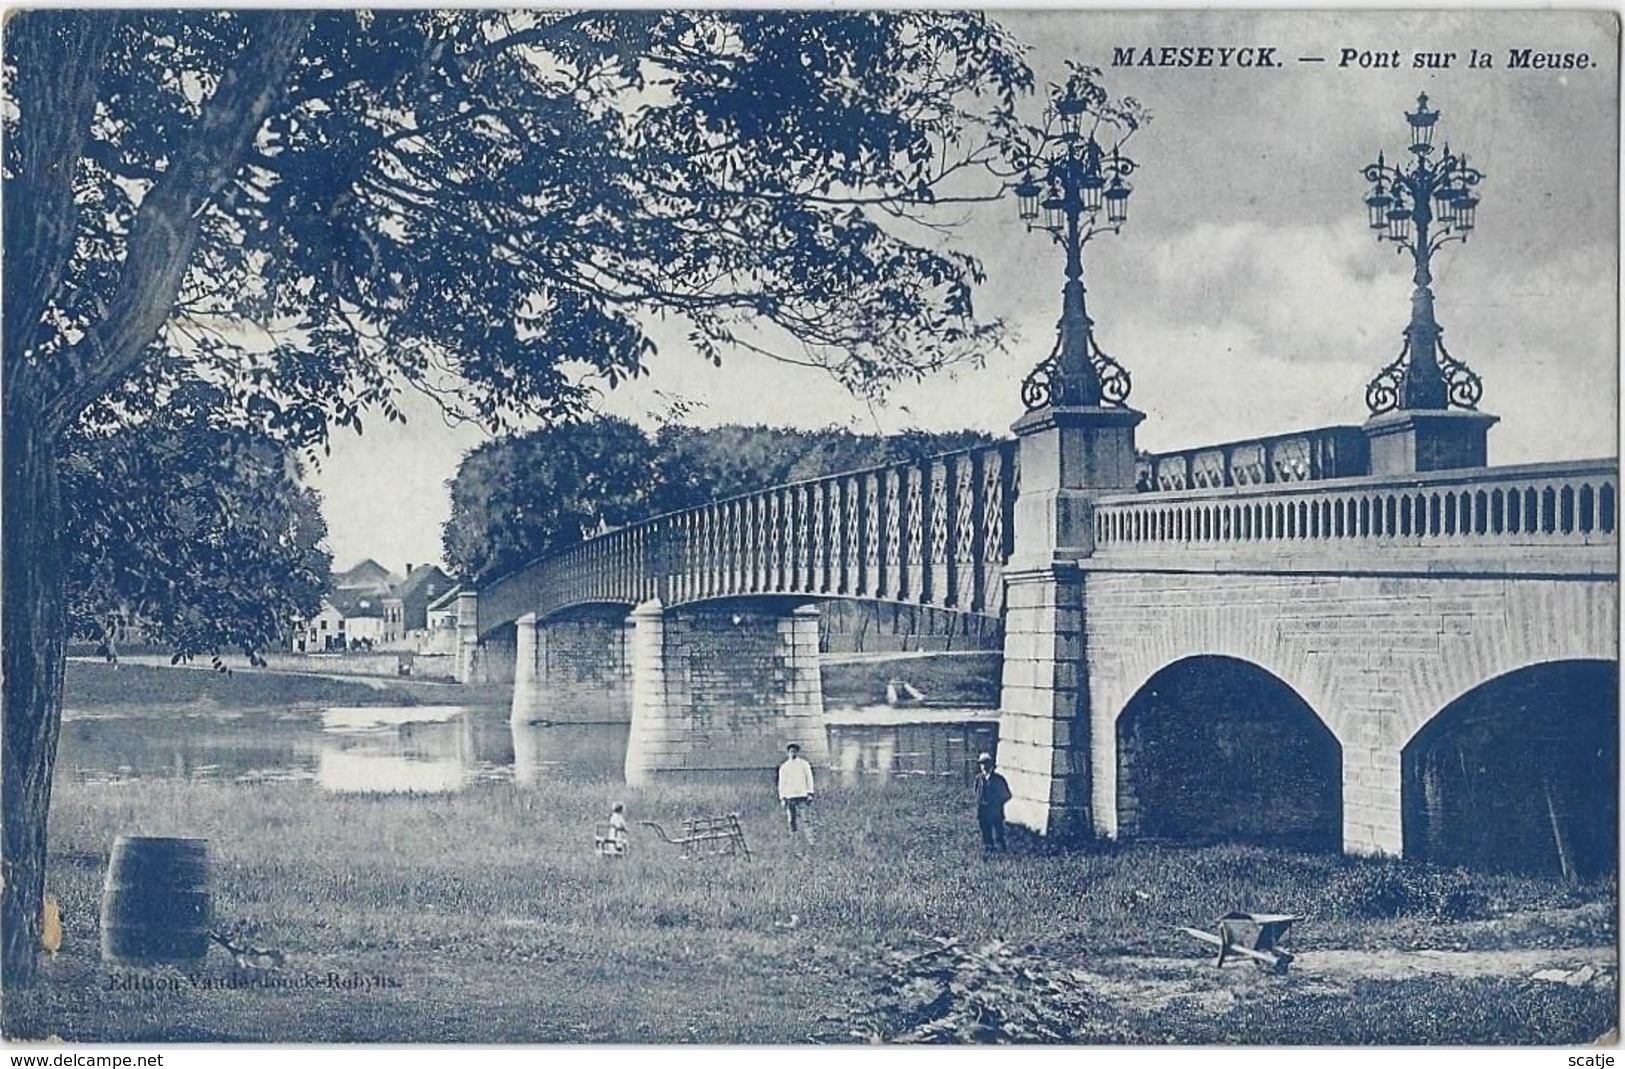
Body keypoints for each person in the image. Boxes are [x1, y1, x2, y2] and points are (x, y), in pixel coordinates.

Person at [974, 752, 1011, 853]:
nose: (984, 766)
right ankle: (989, 851)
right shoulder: (978, 779)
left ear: (991, 764)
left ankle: (1003, 852)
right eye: (981, 763)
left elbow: (1007, 795)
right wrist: (980, 801)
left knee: (998, 832)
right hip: (983, 810)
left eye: (986, 763)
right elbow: (976, 793)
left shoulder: (998, 779)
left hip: (995, 811)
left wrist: (996, 803)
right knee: (986, 832)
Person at [777, 742, 815, 833]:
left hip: (802, 795)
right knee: (791, 819)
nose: (793, 753)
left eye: (794, 751)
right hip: (790, 797)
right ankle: (793, 837)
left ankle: (810, 838)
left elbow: (809, 779)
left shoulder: (804, 764)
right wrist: (782, 797)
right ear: (788, 753)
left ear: (797, 752)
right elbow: (782, 783)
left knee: (806, 819)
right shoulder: (784, 767)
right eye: (791, 751)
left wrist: (810, 793)